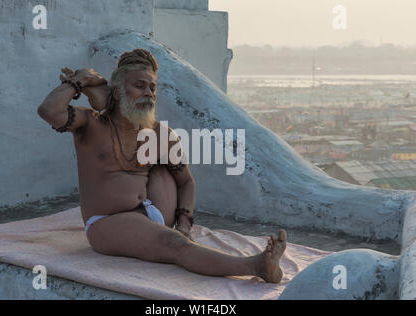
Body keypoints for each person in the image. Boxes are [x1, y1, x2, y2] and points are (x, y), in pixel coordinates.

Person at [37, 48, 287, 283]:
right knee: (175, 245)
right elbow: (49, 110)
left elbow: (186, 182)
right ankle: (256, 266)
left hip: (152, 211)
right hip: (108, 222)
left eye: (153, 87)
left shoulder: (160, 134)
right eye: (139, 85)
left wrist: (184, 225)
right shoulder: (90, 123)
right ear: (116, 90)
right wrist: (80, 81)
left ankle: (173, 238)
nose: (149, 93)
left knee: (164, 170)